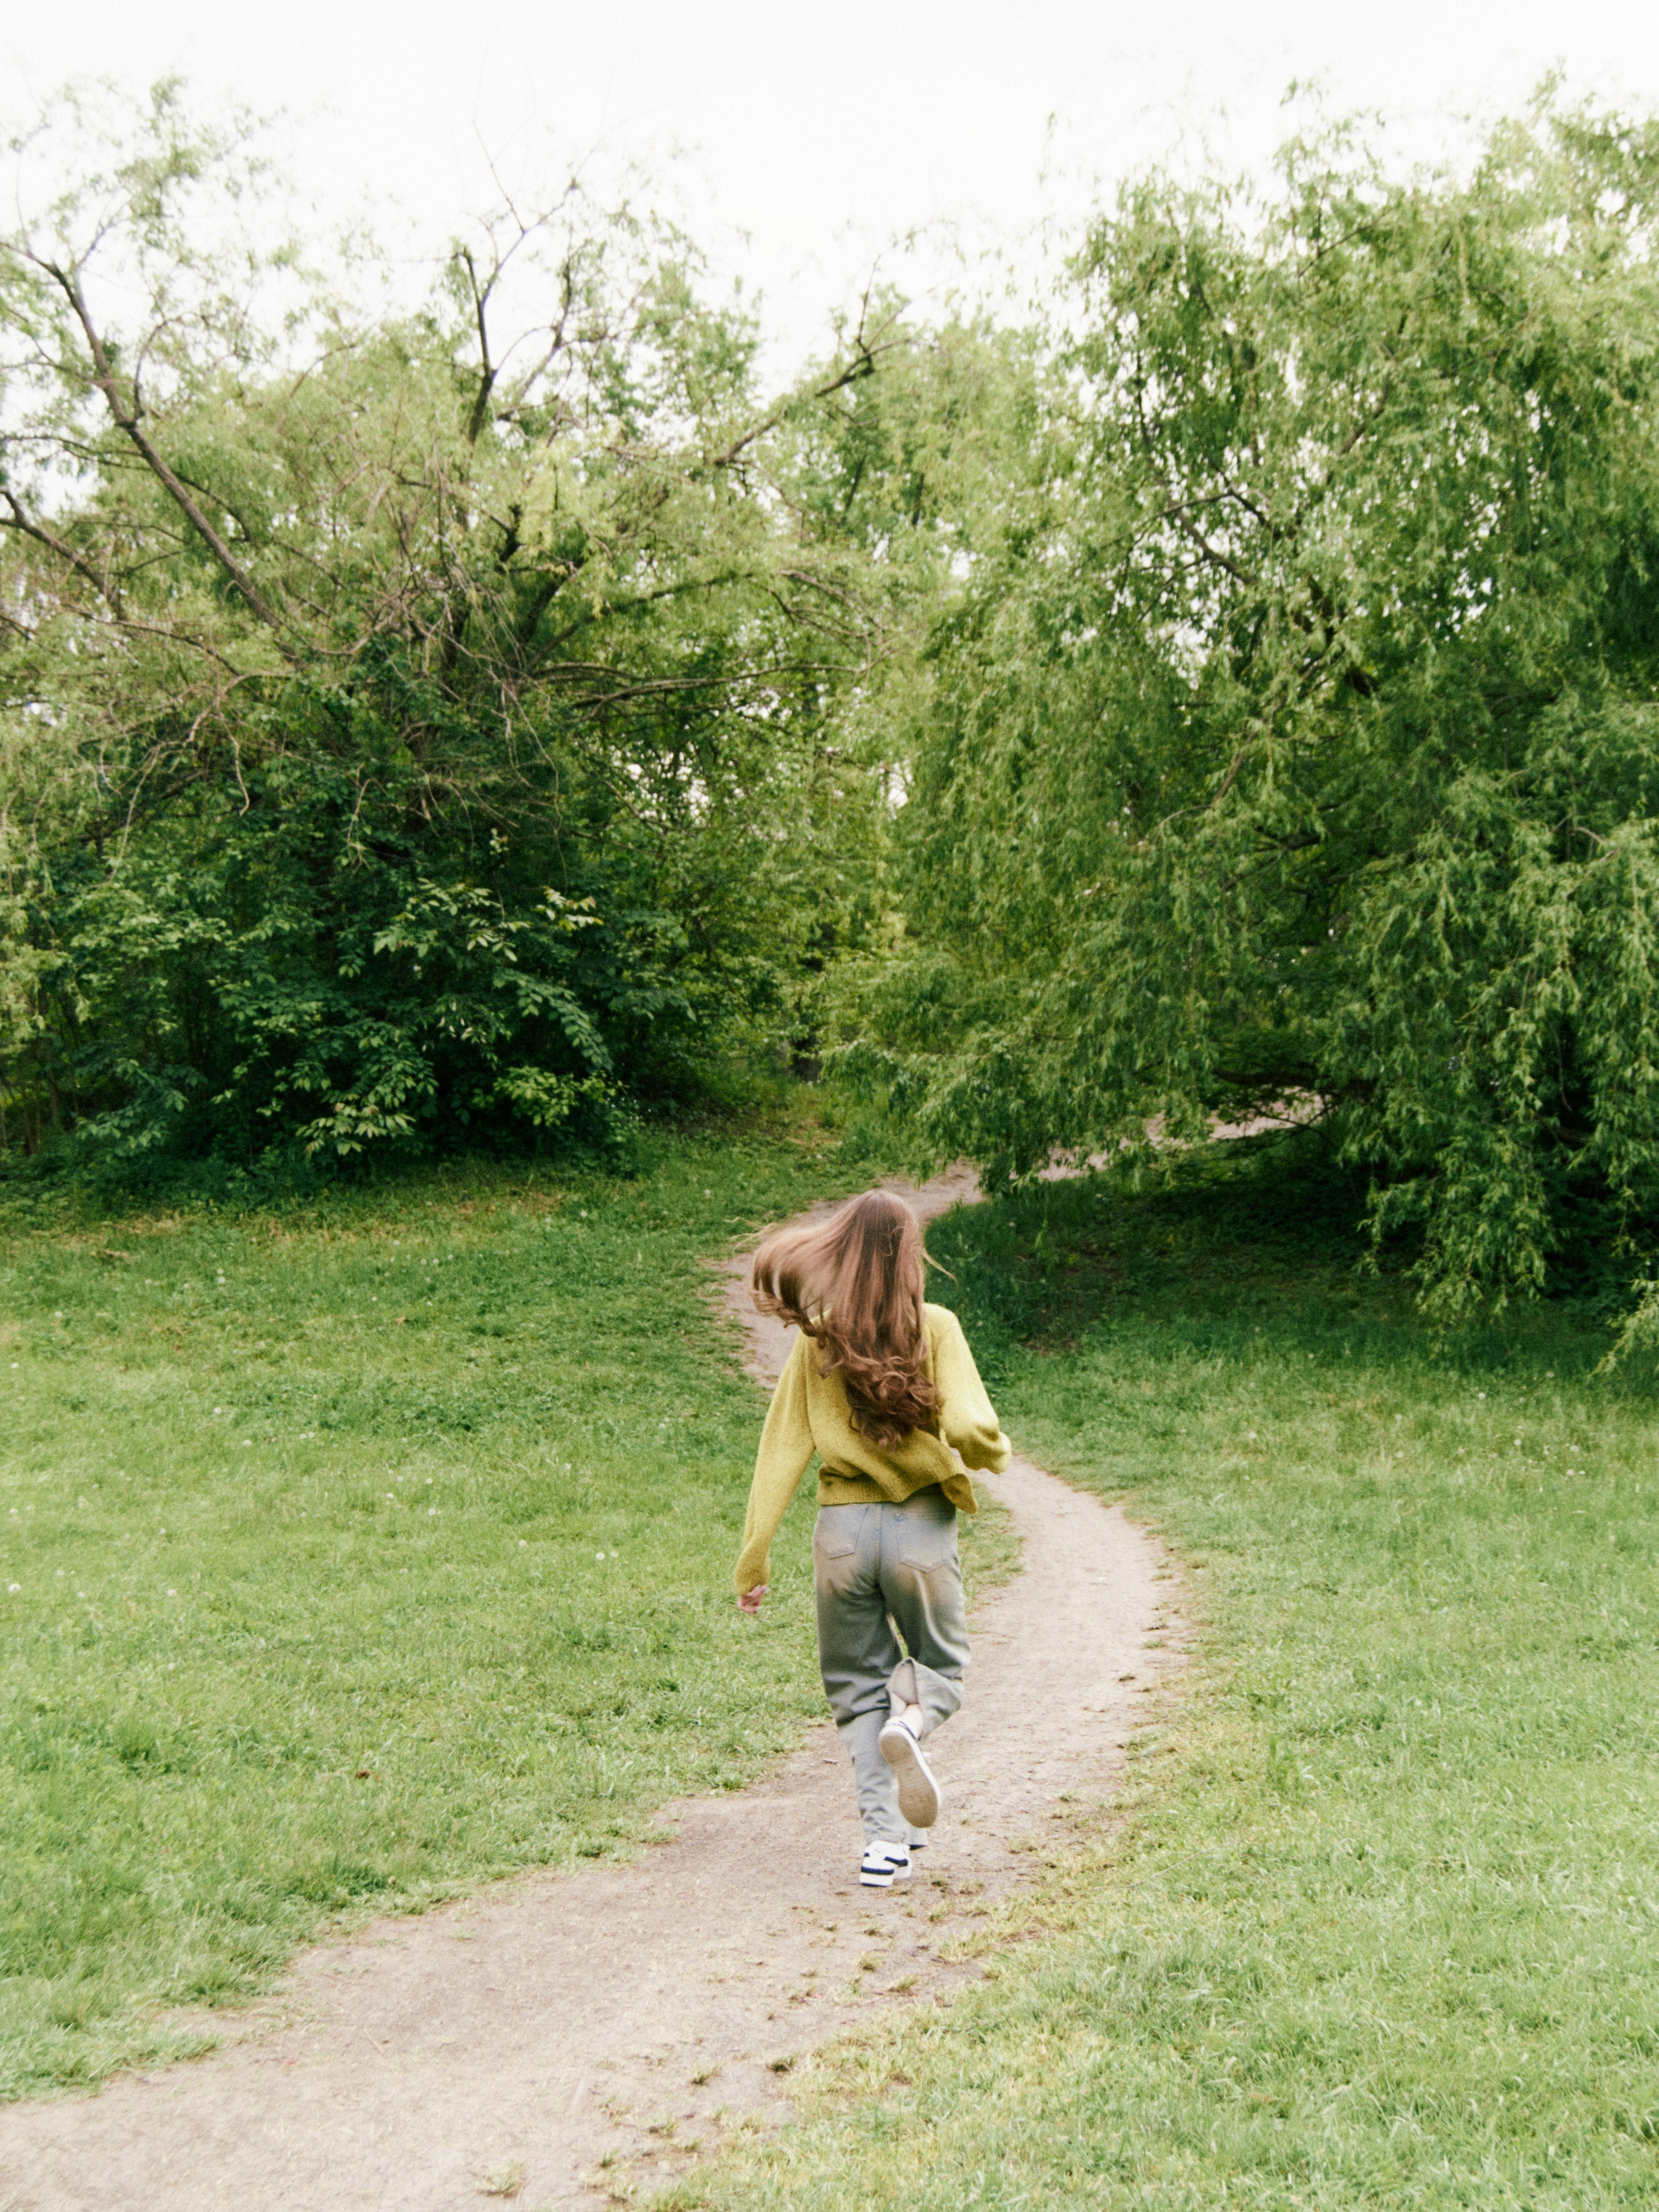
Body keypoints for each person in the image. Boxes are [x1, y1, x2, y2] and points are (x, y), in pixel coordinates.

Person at [732, 1188, 1011, 1888]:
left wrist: (754, 1556)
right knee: (941, 1666)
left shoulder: (817, 1340)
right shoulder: (935, 1326)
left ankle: (884, 1845)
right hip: (920, 1528)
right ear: (909, 1255)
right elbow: (969, 1426)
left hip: (842, 1536)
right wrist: (991, 1450)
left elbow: (782, 1448)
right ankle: (911, 1724)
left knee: (858, 1688)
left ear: (843, 1252)